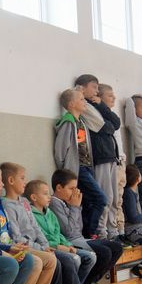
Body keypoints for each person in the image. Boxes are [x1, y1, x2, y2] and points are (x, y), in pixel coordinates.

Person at [0, 162, 65, 284]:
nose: (25, 182)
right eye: (22, 178)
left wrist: (45, 245)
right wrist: (40, 248)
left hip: (36, 245)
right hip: (22, 246)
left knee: (51, 258)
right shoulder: (6, 205)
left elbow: (35, 227)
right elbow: (16, 236)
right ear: (11, 181)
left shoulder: (24, 202)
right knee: (44, 261)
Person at [26, 180, 105, 284]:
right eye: (45, 194)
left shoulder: (49, 213)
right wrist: (59, 247)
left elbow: (59, 233)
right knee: (74, 259)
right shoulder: (31, 214)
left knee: (90, 257)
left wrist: (68, 245)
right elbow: (40, 237)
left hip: (62, 245)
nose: (49, 196)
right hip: (49, 248)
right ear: (34, 197)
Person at [49, 169, 124, 284]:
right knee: (104, 253)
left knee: (117, 247)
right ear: (59, 188)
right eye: (71, 188)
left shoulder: (67, 202)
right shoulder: (54, 203)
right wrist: (75, 207)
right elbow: (68, 232)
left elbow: (79, 227)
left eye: (76, 188)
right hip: (70, 241)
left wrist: (75, 207)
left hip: (81, 238)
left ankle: (90, 282)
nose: (75, 192)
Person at [54, 86, 106, 237]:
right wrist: (66, 172)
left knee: (87, 202)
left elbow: (99, 123)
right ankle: (90, 232)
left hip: (88, 167)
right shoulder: (68, 122)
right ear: (71, 104)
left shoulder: (82, 121)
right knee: (100, 199)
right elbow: (60, 150)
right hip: (77, 170)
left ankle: (85, 233)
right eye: (82, 100)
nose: (85, 102)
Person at [79, 76, 121, 241]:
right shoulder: (85, 106)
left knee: (114, 197)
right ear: (83, 87)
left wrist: (101, 105)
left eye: (98, 89)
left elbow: (115, 123)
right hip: (100, 156)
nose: (96, 92)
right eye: (94, 87)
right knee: (105, 196)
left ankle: (111, 230)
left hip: (110, 156)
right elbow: (104, 127)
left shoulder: (96, 105)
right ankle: (101, 230)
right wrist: (106, 123)